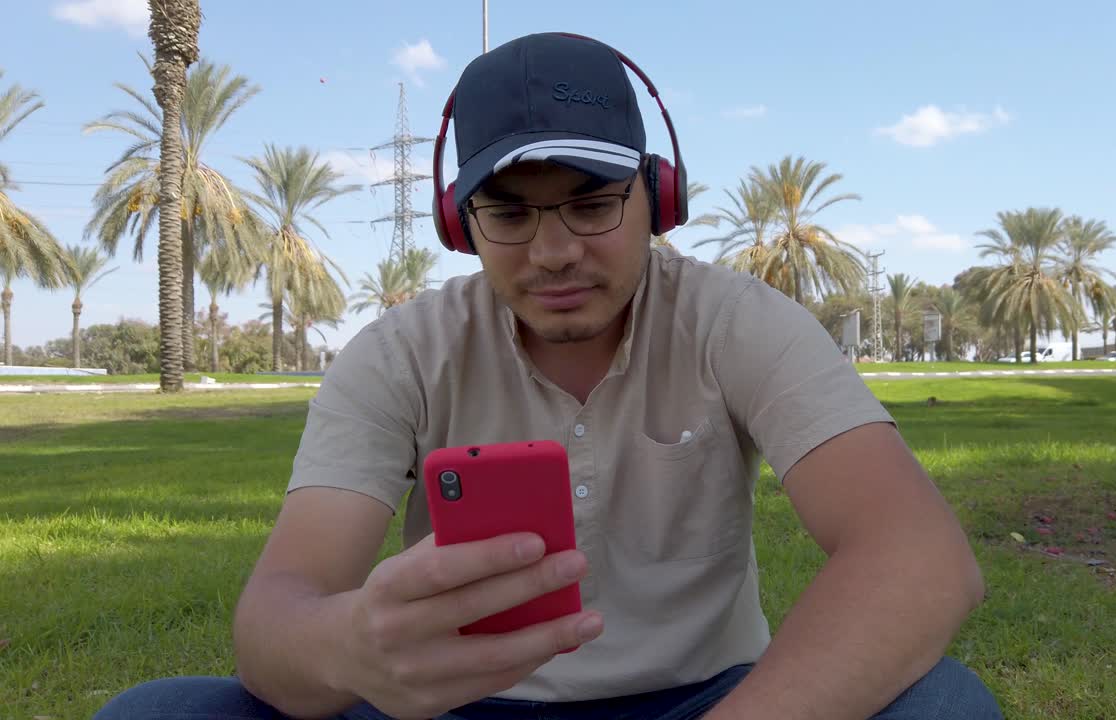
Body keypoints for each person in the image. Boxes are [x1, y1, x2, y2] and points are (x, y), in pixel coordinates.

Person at [94, 32, 1002, 720]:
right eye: (511, 215)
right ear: (463, 223)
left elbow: (918, 559)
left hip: (704, 699)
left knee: (946, 704)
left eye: (592, 203)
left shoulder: (736, 320)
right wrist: (347, 644)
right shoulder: (401, 351)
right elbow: (273, 618)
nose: (555, 252)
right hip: (456, 702)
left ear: (660, 199)